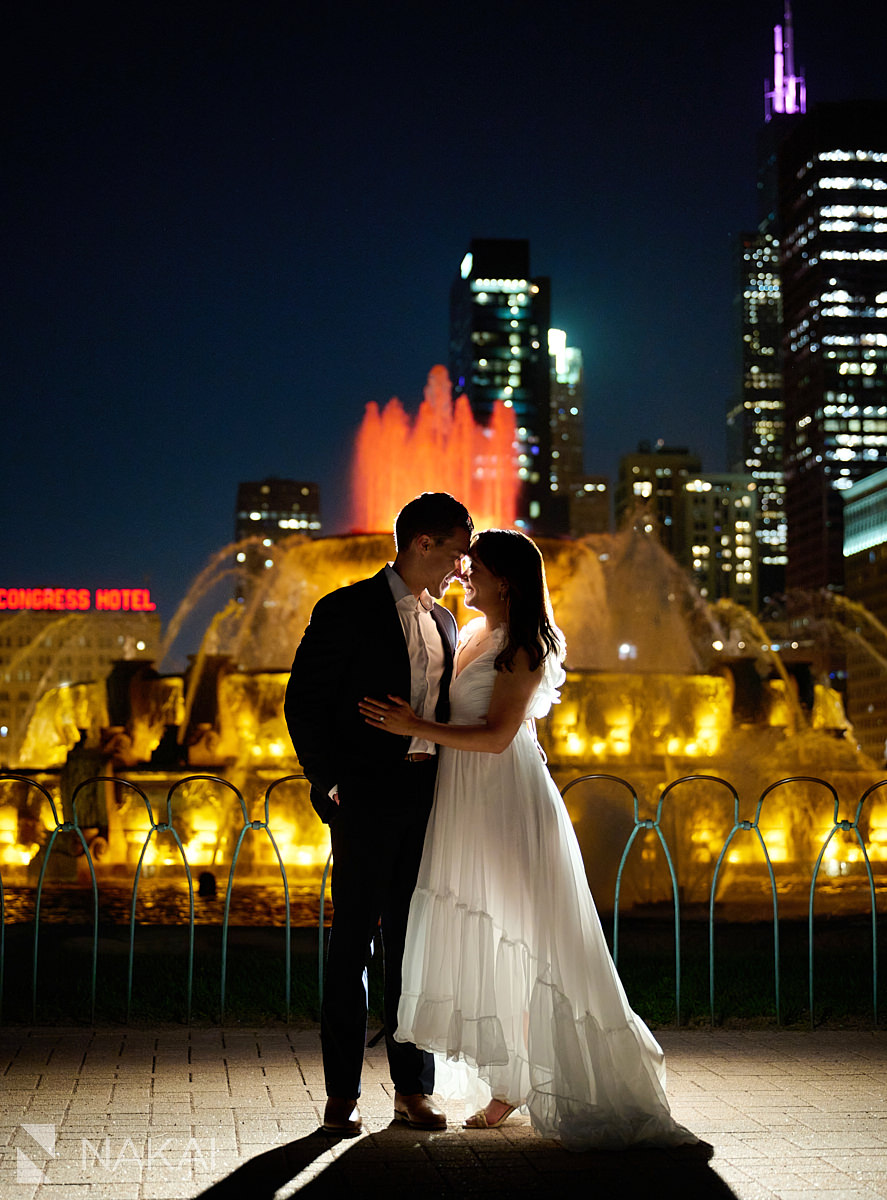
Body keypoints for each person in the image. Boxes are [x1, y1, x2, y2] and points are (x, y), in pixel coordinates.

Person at [359, 529, 696, 1150]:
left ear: (505, 581)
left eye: (476, 568)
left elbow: (493, 735)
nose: (465, 574)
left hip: (504, 797)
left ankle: (527, 1083)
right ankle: (508, 1078)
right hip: (465, 797)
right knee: (489, 929)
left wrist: (415, 726)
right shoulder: (475, 632)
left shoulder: (524, 645)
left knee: (526, 932)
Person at [285, 492, 472, 1136]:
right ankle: (341, 1095)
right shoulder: (346, 609)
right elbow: (304, 701)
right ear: (423, 542)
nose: (461, 563)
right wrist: (329, 780)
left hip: (428, 800)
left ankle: (411, 1093)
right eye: (456, 548)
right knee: (352, 947)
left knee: (412, 951)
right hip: (365, 799)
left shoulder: (445, 622)